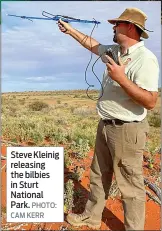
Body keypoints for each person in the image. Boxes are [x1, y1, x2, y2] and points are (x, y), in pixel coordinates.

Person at [58, 7, 159, 231]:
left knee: (130, 185)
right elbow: (92, 44)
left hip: (127, 130)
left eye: (117, 24)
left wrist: (122, 79)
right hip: (105, 125)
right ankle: (91, 218)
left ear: (130, 27)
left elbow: (151, 101)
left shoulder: (145, 59)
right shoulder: (115, 51)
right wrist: (70, 30)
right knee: (98, 175)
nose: (113, 27)